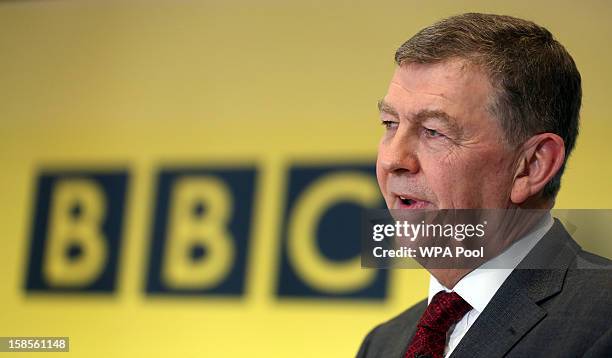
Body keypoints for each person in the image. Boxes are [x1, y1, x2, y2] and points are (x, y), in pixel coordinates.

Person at [357, 13, 611, 358]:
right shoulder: (383, 344)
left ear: (532, 166)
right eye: (390, 123)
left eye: (433, 131)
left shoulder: (601, 322)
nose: (392, 160)